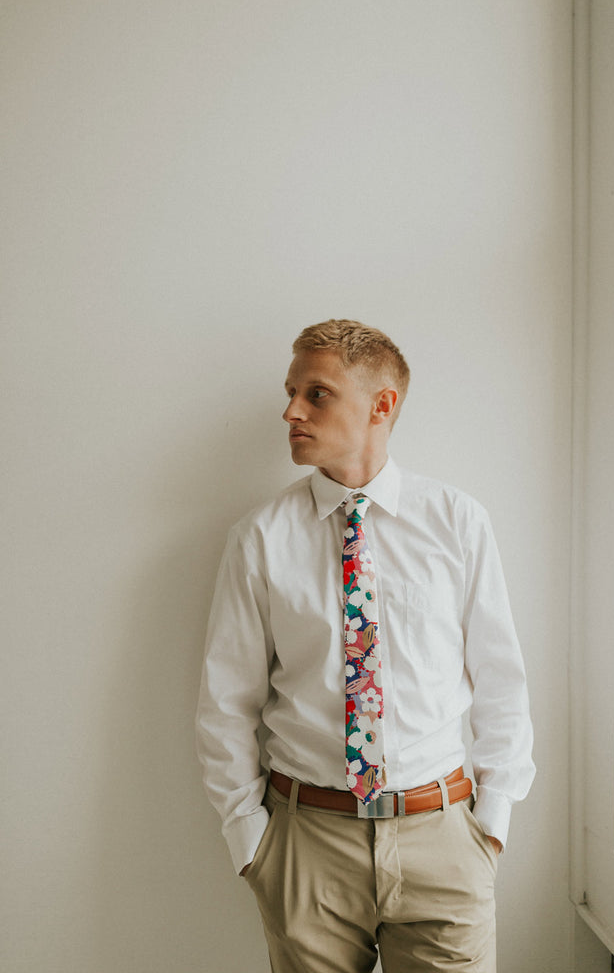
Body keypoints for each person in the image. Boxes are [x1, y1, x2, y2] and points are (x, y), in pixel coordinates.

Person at [196, 318, 535, 973]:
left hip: (443, 834)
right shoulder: (260, 538)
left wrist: (490, 826)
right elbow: (225, 702)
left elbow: (501, 681)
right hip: (306, 842)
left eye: (316, 393)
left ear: (382, 405)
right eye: (291, 392)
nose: (291, 410)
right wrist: (251, 843)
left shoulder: (456, 523)